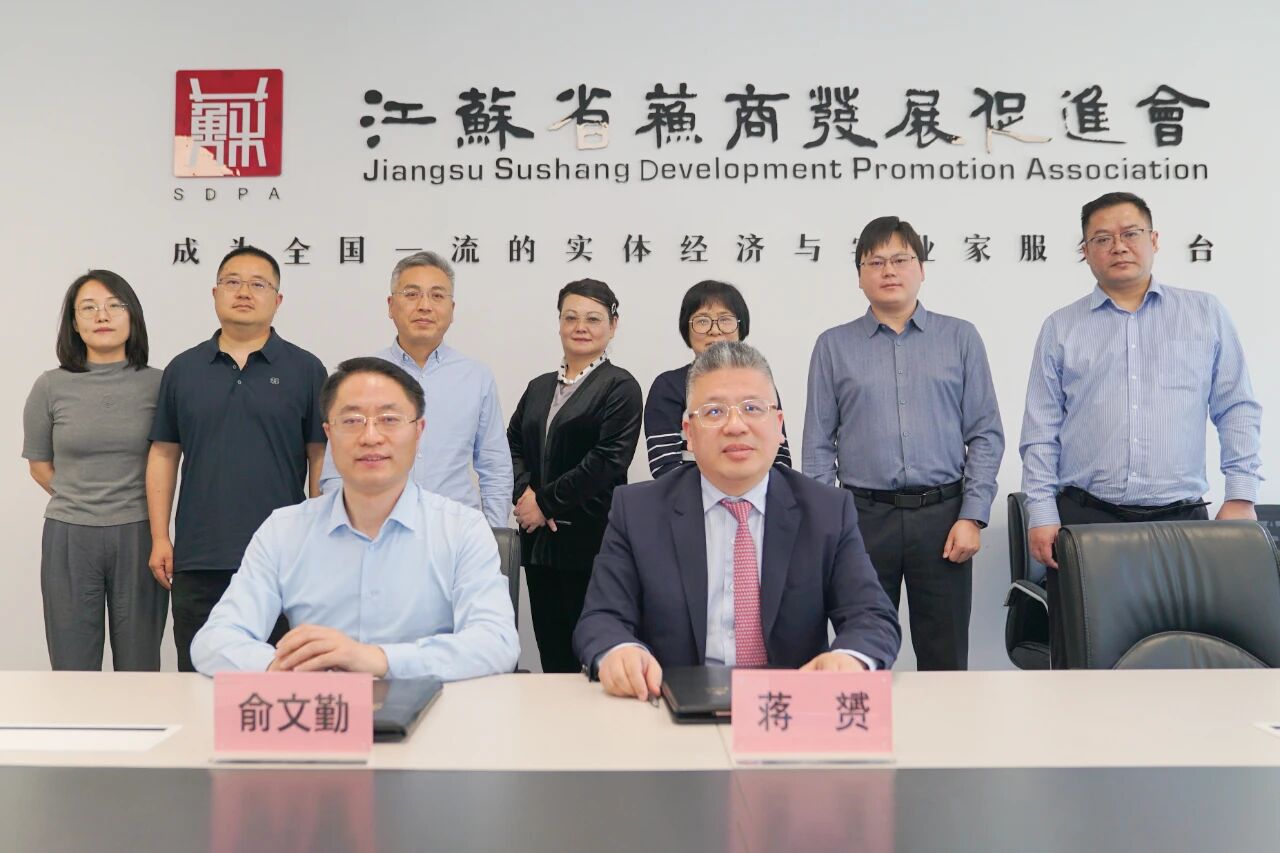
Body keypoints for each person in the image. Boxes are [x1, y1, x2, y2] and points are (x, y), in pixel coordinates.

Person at [575, 342, 901, 700]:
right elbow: (601, 618)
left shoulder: (826, 510)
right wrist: (619, 651)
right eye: (714, 412)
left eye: (752, 408)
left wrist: (849, 658)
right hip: (669, 707)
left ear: (778, 425)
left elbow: (872, 616)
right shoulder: (639, 510)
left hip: (788, 710)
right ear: (688, 431)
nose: (735, 426)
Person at [1019, 191, 1263, 666]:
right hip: (1086, 522)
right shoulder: (1061, 328)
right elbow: (1041, 430)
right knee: (1084, 665)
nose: (1118, 246)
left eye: (1130, 233)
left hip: (1183, 521)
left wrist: (1241, 495)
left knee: (1185, 662)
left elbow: (1237, 407)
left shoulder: (1204, 313)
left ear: (1154, 239)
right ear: (1085, 251)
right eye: (1101, 238)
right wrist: (1042, 512)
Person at [191, 358, 519, 678]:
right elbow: (213, 641)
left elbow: (497, 643)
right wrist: (283, 668)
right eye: (352, 421)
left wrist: (377, 659)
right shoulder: (285, 530)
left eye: (389, 419)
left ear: (419, 430)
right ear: (329, 433)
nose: (371, 436)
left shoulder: (462, 528)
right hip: (322, 706)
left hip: (434, 709)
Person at [802, 216, 1003, 671]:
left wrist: (972, 515)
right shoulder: (833, 346)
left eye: (900, 259)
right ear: (859, 276)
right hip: (862, 519)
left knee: (945, 657)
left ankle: (946, 724)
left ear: (921, 268)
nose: (889, 270)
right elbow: (817, 445)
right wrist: (830, 526)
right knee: (861, 652)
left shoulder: (960, 337)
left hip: (944, 518)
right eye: (875, 262)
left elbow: (985, 433)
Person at [147, 246, 328, 672]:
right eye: (232, 282)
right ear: (215, 293)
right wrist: (160, 537)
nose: (244, 292)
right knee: (198, 680)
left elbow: (320, 457)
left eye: (258, 284)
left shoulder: (306, 369)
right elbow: (164, 453)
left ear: (277, 300)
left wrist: (320, 538)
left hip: (284, 559)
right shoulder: (183, 369)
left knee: (285, 679)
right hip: (199, 557)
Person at [22, 270, 166, 670]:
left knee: (140, 664)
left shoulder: (160, 385)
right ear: (74, 323)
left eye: (114, 306)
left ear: (132, 316)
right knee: (72, 665)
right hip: (69, 535)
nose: (102, 315)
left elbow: (169, 459)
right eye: (88, 308)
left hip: (140, 533)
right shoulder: (50, 386)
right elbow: (39, 465)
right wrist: (82, 497)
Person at [507, 279, 643, 673]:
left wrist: (545, 503)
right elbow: (511, 443)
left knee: (593, 659)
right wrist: (525, 494)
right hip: (538, 544)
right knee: (552, 657)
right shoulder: (538, 387)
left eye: (593, 319)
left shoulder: (620, 387)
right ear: (560, 323)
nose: (580, 326)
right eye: (571, 317)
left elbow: (607, 460)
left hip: (591, 543)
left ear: (613, 325)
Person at [319, 251, 512, 526]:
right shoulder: (361, 377)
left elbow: (495, 467)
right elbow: (336, 469)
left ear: (452, 309)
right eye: (411, 294)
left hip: (455, 531)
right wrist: (351, 531)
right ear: (390, 306)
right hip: (375, 532)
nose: (424, 306)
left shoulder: (476, 376)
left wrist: (492, 535)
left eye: (437, 295)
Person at [644, 279, 792, 478]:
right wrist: (717, 493)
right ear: (686, 329)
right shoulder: (668, 386)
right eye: (702, 321)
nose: (715, 330)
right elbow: (664, 466)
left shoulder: (760, 383)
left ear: (741, 327)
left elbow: (780, 457)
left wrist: (751, 493)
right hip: (691, 496)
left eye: (725, 319)